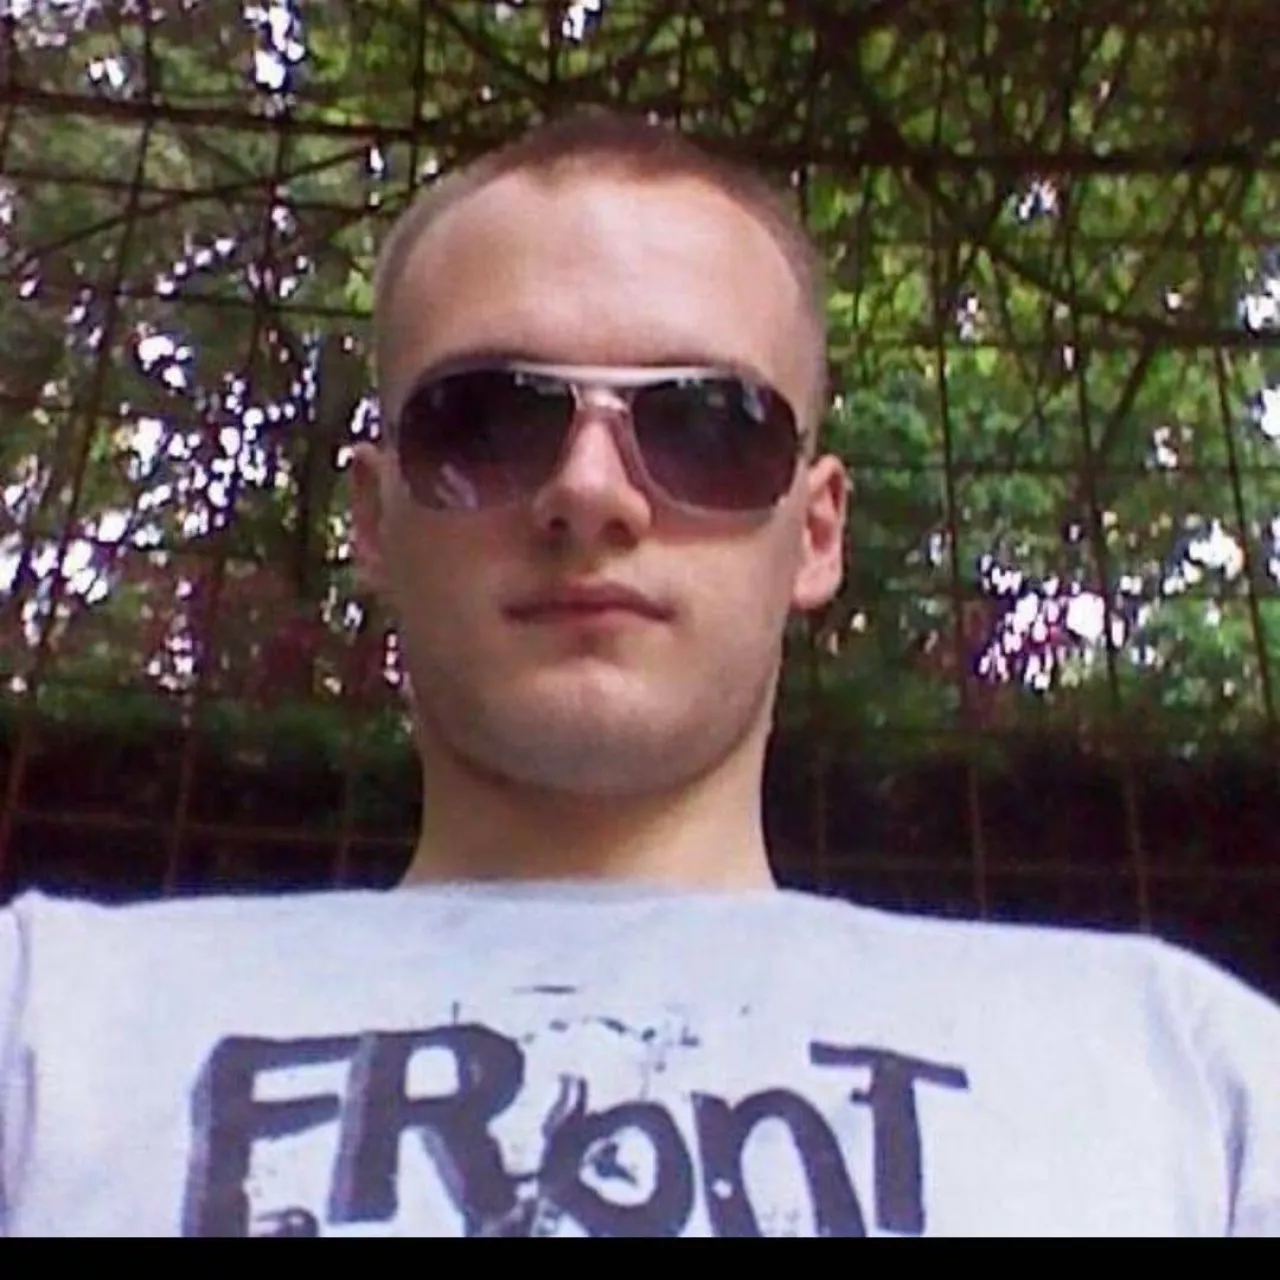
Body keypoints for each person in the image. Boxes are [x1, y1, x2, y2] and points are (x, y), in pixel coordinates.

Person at [0, 109, 1276, 1239]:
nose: (590, 492)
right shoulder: (44, 1020)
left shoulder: (1186, 1069)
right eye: (487, 419)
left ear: (814, 531)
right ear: (375, 521)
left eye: (705, 424)